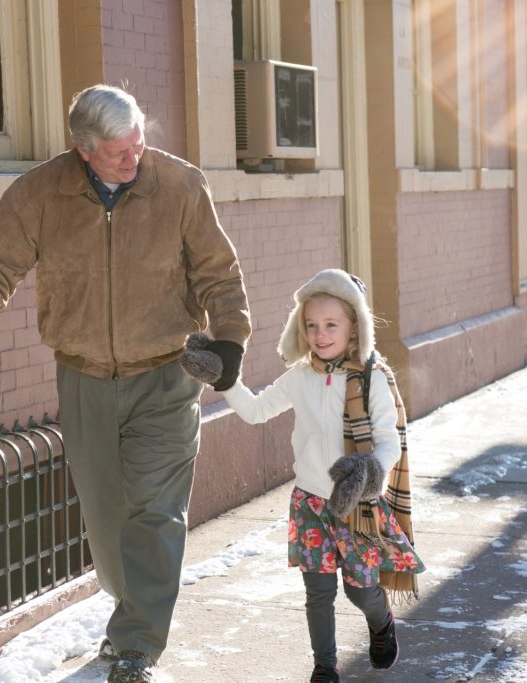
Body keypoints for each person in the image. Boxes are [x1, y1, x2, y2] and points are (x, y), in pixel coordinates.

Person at [0, 84, 251, 683]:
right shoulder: (42, 192)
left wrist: (231, 340)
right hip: (84, 376)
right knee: (107, 515)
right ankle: (130, 605)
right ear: (83, 149)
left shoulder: (181, 186)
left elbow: (219, 272)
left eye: (138, 143)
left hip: (166, 374)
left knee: (156, 511)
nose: (132, 158)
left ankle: (137, 644)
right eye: (117, 151)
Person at [181, 268, 425, 683]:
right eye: (311, 325)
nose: (320, 334)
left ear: (354, 328)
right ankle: (324, 667)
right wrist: (224, 378)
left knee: (360, 589)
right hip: (310, 500)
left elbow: (389, 442)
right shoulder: (300, 376)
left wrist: (369, 474)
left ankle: (381, 623)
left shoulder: (371, 381)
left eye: (331, 324)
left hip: (357, 501)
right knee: (318, 592)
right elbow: (256, 410)